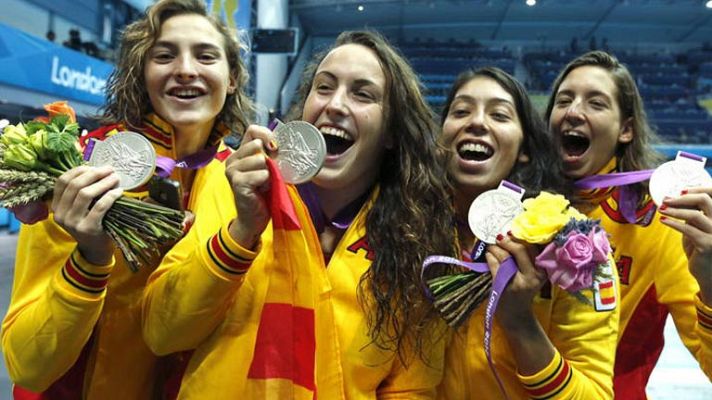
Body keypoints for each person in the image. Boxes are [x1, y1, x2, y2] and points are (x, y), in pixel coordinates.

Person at [141, 30, 457, 398]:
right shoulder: (234, 189)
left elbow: (412, 388)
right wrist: (242, 230)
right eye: (323, 88)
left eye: (362, 94)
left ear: (391, 131)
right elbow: (162, 333)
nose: (335, 105)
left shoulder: (421, 236)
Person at [1, 0, 251, 398]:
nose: (186, 69)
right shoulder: (83, 168)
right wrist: (91, 259)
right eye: (164, 55)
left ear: (232, 77)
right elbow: (26, 364)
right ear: (142, 73)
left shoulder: (239, 181)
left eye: (205, 55)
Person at [436, 67, 620, 399]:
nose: (476, 122)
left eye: (499, 115)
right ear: (440, 140)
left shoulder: (575, 243)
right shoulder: (408, 227)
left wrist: (520, 322)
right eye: (460, 111)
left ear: (524, 148)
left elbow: (595, 394)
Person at [545, 50, 712, 399]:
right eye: (564, 100)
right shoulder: (516, 205)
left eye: (596, 103)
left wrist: (711, 284)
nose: (574, 111)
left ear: (626, 130)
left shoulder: (661, 219)